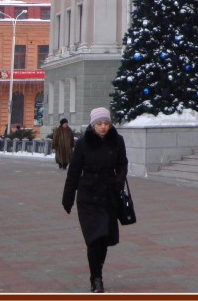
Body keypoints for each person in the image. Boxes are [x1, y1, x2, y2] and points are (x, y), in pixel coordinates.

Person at [62, 107, 128, 294]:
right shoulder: (83, 143)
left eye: (106, 123)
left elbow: (123, 163)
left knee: (104, 237)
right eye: (99, 124)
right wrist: (67, 197)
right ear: (93, 125)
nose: (103, 127)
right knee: (94, 238)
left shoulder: (117, 141)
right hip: (88, 196)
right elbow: (74, 171)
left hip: (109, 194)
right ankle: (96, 278)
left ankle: (97, 273)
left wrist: (119, 180)